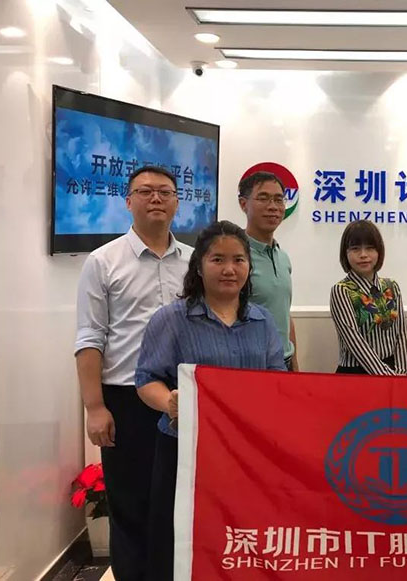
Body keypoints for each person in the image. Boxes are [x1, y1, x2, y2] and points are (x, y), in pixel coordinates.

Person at [135, 221, 286, 580]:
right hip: (185, 451)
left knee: (239, 539)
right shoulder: (171, 319)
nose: (229, 269)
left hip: (247, 455)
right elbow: (146, 379)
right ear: (199, 266)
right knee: (180, 542)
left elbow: (277, 381)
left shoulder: (263, 322)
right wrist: (169, 402)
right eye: (218, 259)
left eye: (238, 260)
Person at [74, 165, 191, 580]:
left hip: (183, 400)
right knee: (129, 505)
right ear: (128, 201)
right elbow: (90, 337)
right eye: (145, 191)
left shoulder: (194, 262)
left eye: (165, 191)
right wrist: (95, 407)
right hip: (125, 399)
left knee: (178, 505)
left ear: (177, 202)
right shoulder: (103, 261)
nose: (156, 198)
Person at [329, 220, 407, 375]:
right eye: (355, 249)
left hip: (393, 370)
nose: (363, 255)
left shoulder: (391, 286)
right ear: (345, 253)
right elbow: (354, 341)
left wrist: (401, 372)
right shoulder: (341, 290)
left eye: (370, 248)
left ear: (379, 251)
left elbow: (401, 334)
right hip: (356, 374)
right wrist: (387, 377)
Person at [238, 170, 299, 371]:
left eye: (278, 200)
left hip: (284, 364)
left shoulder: (283, 258)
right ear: (243, 204)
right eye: (263, 198)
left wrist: (295, 366)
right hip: (252, 367)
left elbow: (285, 314)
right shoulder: (235, 258)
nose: (273, 207)